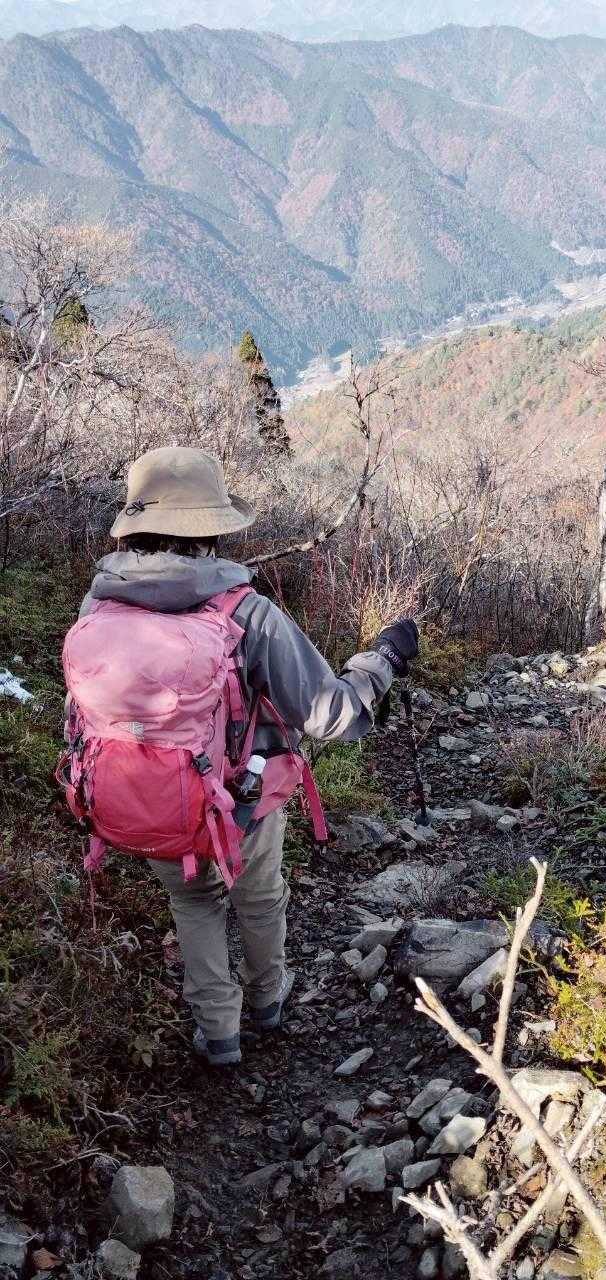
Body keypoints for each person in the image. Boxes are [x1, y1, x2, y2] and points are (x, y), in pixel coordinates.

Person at [79, 446, 418, 1066]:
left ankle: (219, 1033)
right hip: (243, 801)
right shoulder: (247, 613)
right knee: (258, 898)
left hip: (145, 800)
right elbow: (330, 715)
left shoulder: (98, 607)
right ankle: (267, 1002)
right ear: (210, 529)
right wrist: (381, 661)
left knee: (193, 903)